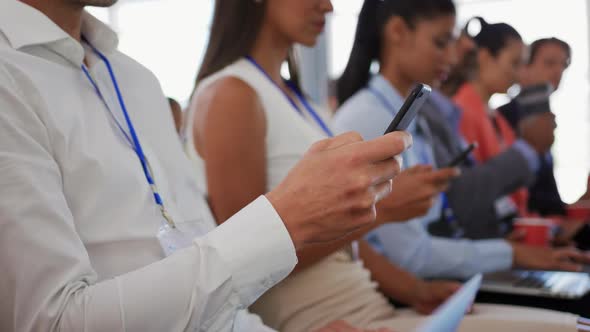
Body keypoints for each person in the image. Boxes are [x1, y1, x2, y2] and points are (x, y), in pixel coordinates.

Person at [0, 1, 412, 331]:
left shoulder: (134, 80)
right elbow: (51, 322)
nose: (328, 6)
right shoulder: (10, 77)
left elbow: (212, 295)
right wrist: (285, 219)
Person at [186, 0, 471, 330]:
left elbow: (340, 238)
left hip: (367, 310)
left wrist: (414, 290)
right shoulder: (232, 94)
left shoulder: (299, 100)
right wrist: (383, 207)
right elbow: (242, 261)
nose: (329, 6)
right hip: (326, 321)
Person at [499, 37, 571, 216]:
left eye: (564, 64)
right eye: (549, 63)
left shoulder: (546, 116)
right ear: (524, 67)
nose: (558, 70)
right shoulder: (505, 117)